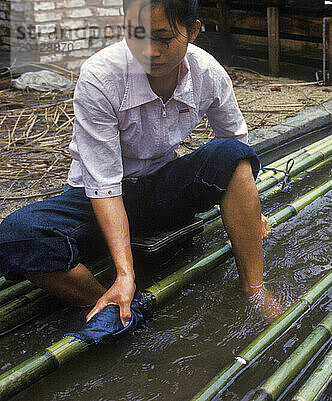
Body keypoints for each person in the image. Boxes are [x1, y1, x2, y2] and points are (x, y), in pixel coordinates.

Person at [0, 0, 274, 329]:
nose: (150, 51)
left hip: (162, 189)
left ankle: (255, 291)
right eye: (137, 34)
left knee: (230, 155)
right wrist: (125, 274)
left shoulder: (208, 73)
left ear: (193, 31)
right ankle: (112, 301)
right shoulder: (100, 76)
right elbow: (103, 185)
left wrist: (250, 210)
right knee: (16, 237)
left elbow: (235, 142)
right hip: (94, 200)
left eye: (163, 38)